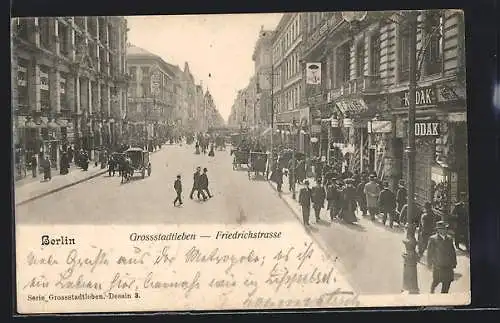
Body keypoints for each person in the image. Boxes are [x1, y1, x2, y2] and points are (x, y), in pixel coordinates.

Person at [427, 221, 457, 294]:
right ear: (438, 230)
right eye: (443, 229)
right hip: (438, 265)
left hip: (448, 265)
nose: (445, 230)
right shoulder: (433, 239)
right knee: (436, 280)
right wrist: (429, 264)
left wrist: (454, 262)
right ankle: (432, 290)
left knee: (447, 282)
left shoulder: (449, 239)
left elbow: (453, 252)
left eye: (446, 228)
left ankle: (444, 295)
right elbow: (429, 253)